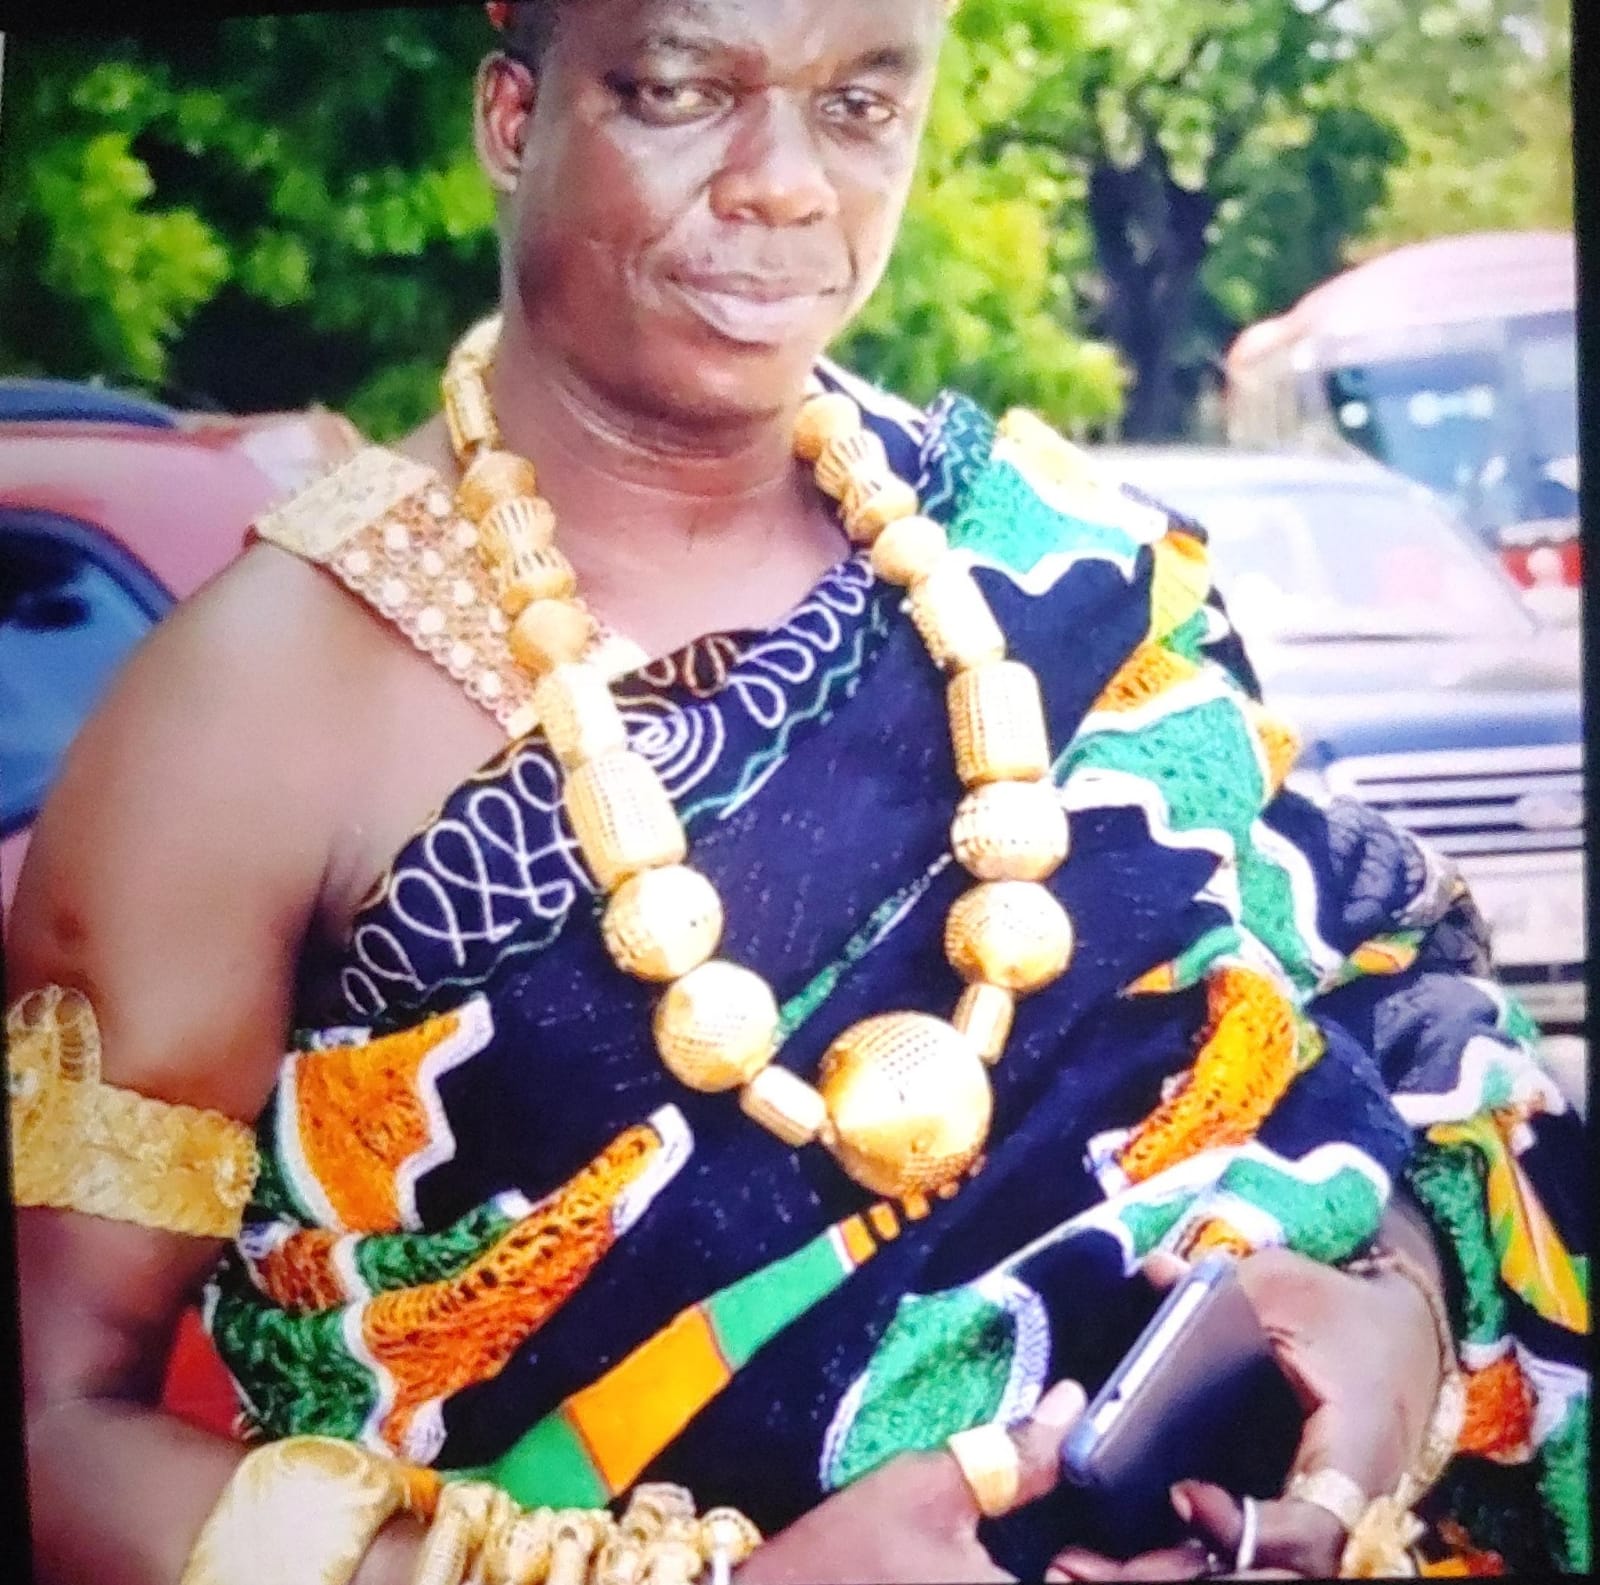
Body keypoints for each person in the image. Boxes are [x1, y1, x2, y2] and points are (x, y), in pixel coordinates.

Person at [7, 3, 1588, 1582]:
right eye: (681, 89)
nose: (785, 182)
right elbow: (54, 1428)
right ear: (513, 117)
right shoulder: (250, 711)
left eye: (860, 107)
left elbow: (1394, 997)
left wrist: (1397, 1310)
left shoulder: (1056, 567)